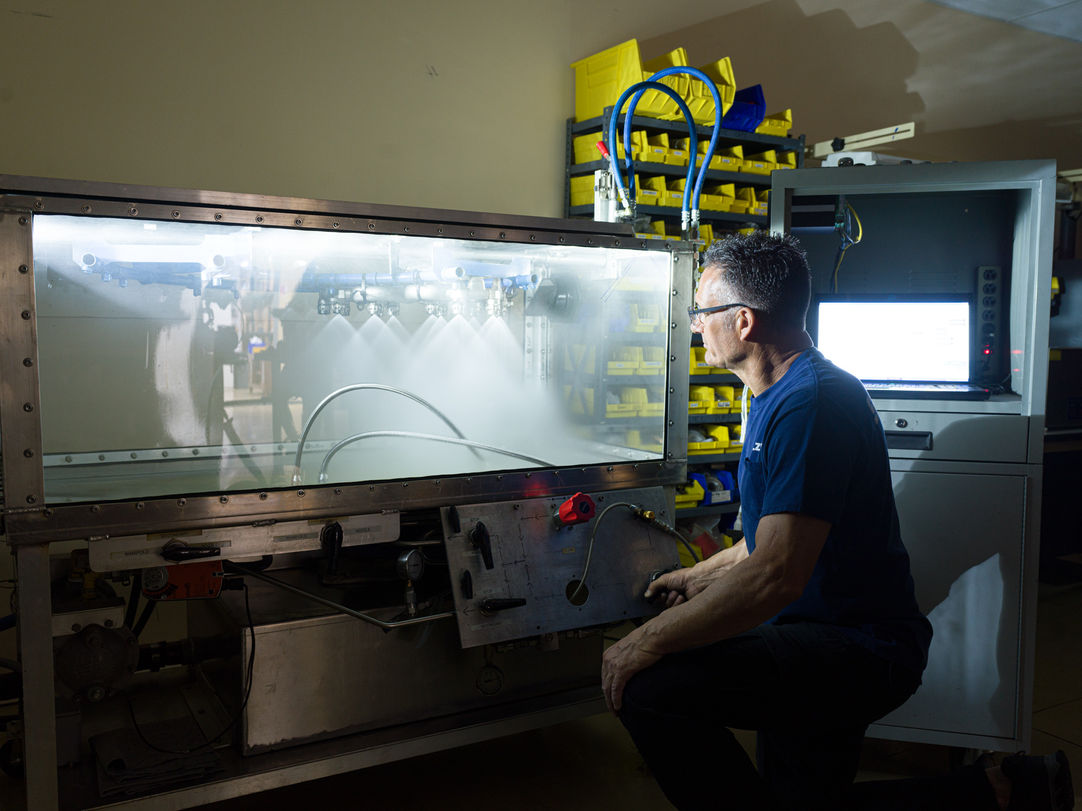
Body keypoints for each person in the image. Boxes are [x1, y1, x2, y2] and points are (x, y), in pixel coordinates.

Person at [601, 231, 1074, 811]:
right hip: (811, 632)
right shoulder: (777, 396)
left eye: (702, 310)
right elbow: (773, 539)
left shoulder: (812, 404)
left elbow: (777, 573)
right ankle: (1008, 789)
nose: (695, 324)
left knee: (647, 687)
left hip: (857, 649)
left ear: (743, 321)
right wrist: (699, 578)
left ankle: (1000, 789)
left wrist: (640, 644)